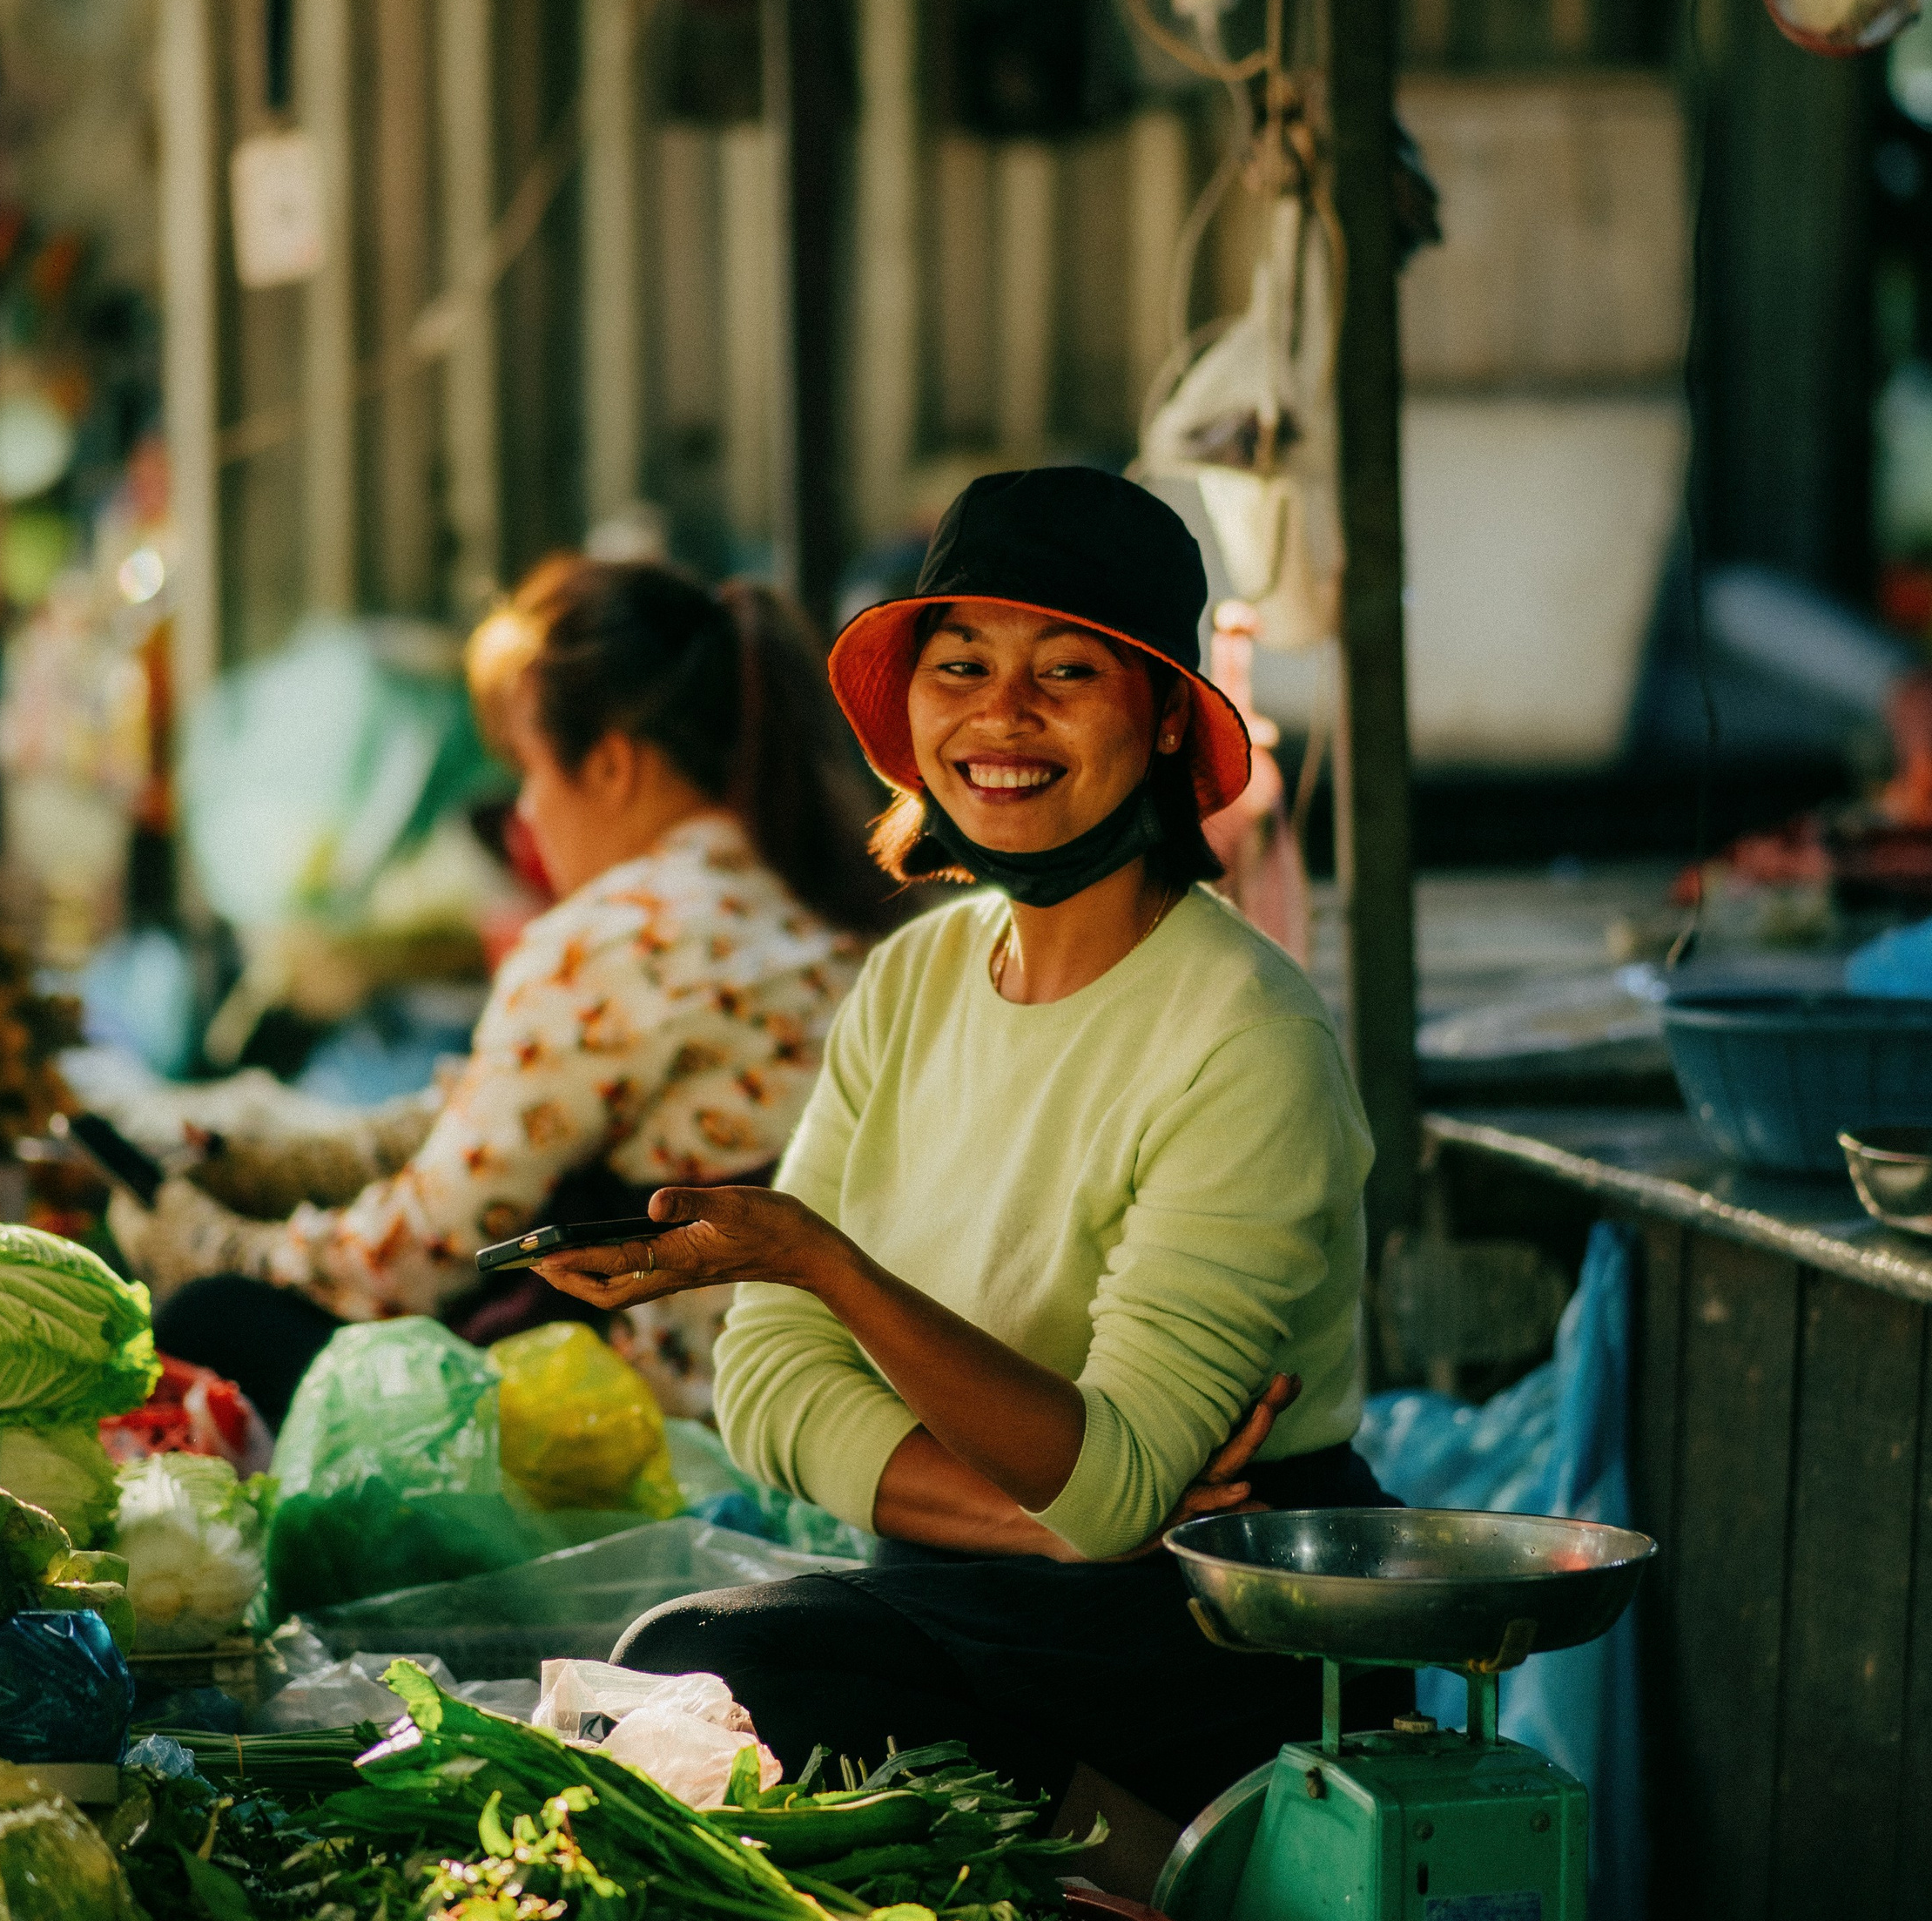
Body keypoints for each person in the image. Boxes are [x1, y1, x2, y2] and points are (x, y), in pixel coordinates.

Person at [529, 468, 1397, 1834]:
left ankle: (1159, 1864)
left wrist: (822, 1262)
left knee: (746, 1672)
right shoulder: (919, 976)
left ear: (1166, 713)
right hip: (980, 1590)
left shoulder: (1247, 1037)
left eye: (1068, 670)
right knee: (667, 1671)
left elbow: (1118, 1492)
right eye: (962, 665)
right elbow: (763, 1384)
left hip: (1205, 1635)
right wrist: (1031, 1515)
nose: (1003, 714)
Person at [110, 558, 899, 1425]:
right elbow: (474, 1136)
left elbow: (407, 1260)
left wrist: (206, 1243)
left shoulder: (614, 938)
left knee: (211, 1322)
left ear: (610, 766)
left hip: (674, 1419)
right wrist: (269, 1168)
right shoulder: (810, 902)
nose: (523, 813)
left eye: (528, 769)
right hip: (840, 1387)